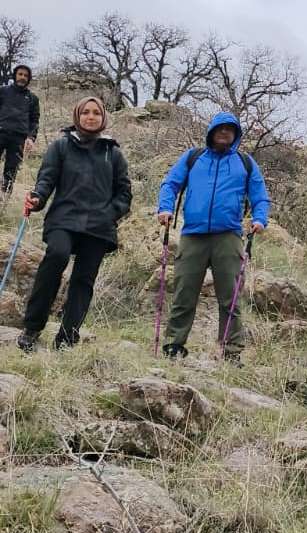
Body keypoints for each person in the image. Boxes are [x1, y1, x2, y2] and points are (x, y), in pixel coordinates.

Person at [16, 97, 131, 352]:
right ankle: (32, 328)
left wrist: (110, 213)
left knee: (83, 280)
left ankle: (67, 339)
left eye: (96, 113)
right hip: (64, 219)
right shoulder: (61, 146)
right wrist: (37, 198)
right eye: (85, 112)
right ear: (77, 116)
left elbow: (124, 194)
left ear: (103, 118)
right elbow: (46, 180)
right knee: (56, 256)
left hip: (98, 227)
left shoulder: (113, 154)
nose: (91, 117)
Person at [157, 111, 271, 363]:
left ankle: (232, 352)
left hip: (228, 236)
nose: (224, 132)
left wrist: (260, 219)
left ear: (236, 135)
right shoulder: (193, 157)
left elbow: (260, 196)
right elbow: (170, 184)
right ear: (211, 132)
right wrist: (165, 208)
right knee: (184, 294)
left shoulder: (245, 162)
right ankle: (173, 345)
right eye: (220, 128)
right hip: (193, 235)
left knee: (230, 297)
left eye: (230, 129)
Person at [0, 65, 40, 194]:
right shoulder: (3, 91)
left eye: (26, 75)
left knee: (11, 171)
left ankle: (4, 199)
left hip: (19, 138)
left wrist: (31, 138)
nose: (22, 77)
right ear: (15, 75)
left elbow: (34, 120)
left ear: (29, 79)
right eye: (20, 74)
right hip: (1, 132)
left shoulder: (33, 98)